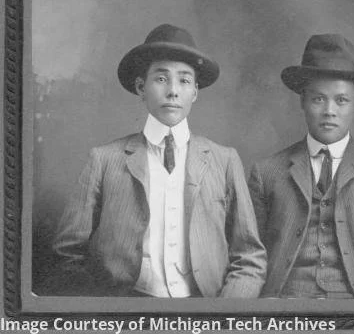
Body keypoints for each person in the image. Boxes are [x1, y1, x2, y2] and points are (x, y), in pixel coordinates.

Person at [50, 24, 266, 297]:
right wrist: (105, 312)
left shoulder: (224, 160)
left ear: (195, 92)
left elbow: (249, 257)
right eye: (161, 79)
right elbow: (67, 253)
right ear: (141, 87)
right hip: (126, 310)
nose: (173, 91)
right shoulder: (104, 160)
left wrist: (223, 313)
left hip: (205, 309)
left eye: (184, 81)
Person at [248, 34, 354, 299]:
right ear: (302, 101)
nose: (329, 110)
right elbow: (251, 256)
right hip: (285, 308)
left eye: (341, 100)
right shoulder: (267, 173)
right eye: (318, 99)